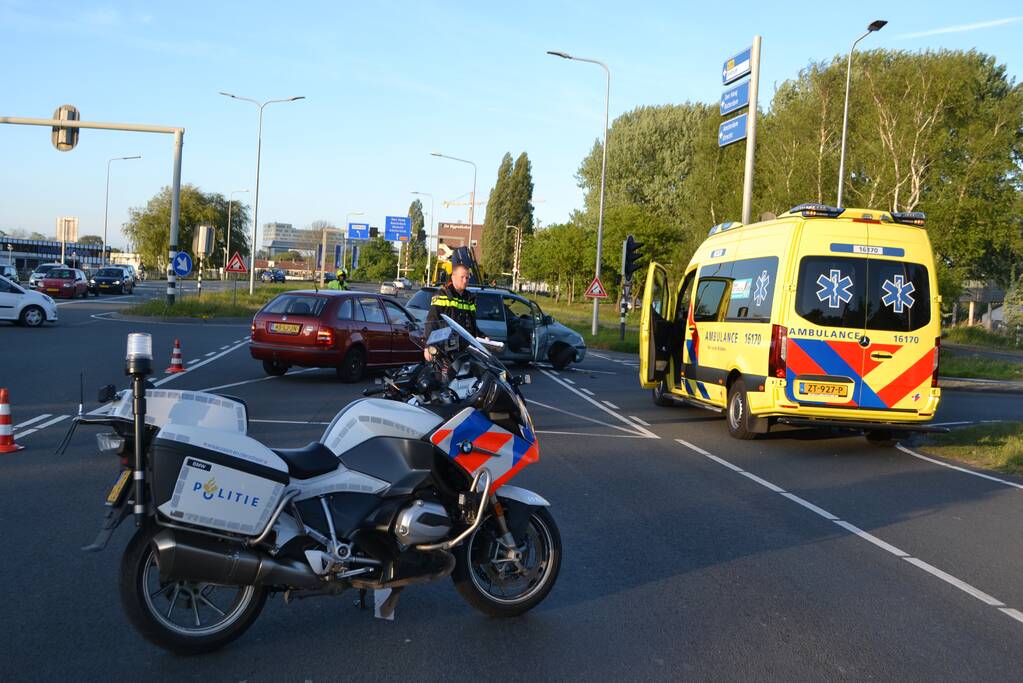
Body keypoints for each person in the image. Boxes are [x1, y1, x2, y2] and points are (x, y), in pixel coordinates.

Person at [423, 263, 480, 359]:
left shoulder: (469, 298)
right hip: (444, 349)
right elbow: (431, 321)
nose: (465, 280)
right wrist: (428, 346)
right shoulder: (442, 295)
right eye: (462, 277)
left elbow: (472, 324)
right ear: (453, 277)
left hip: (464, 350)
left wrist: (482, 336)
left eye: (467, 278)